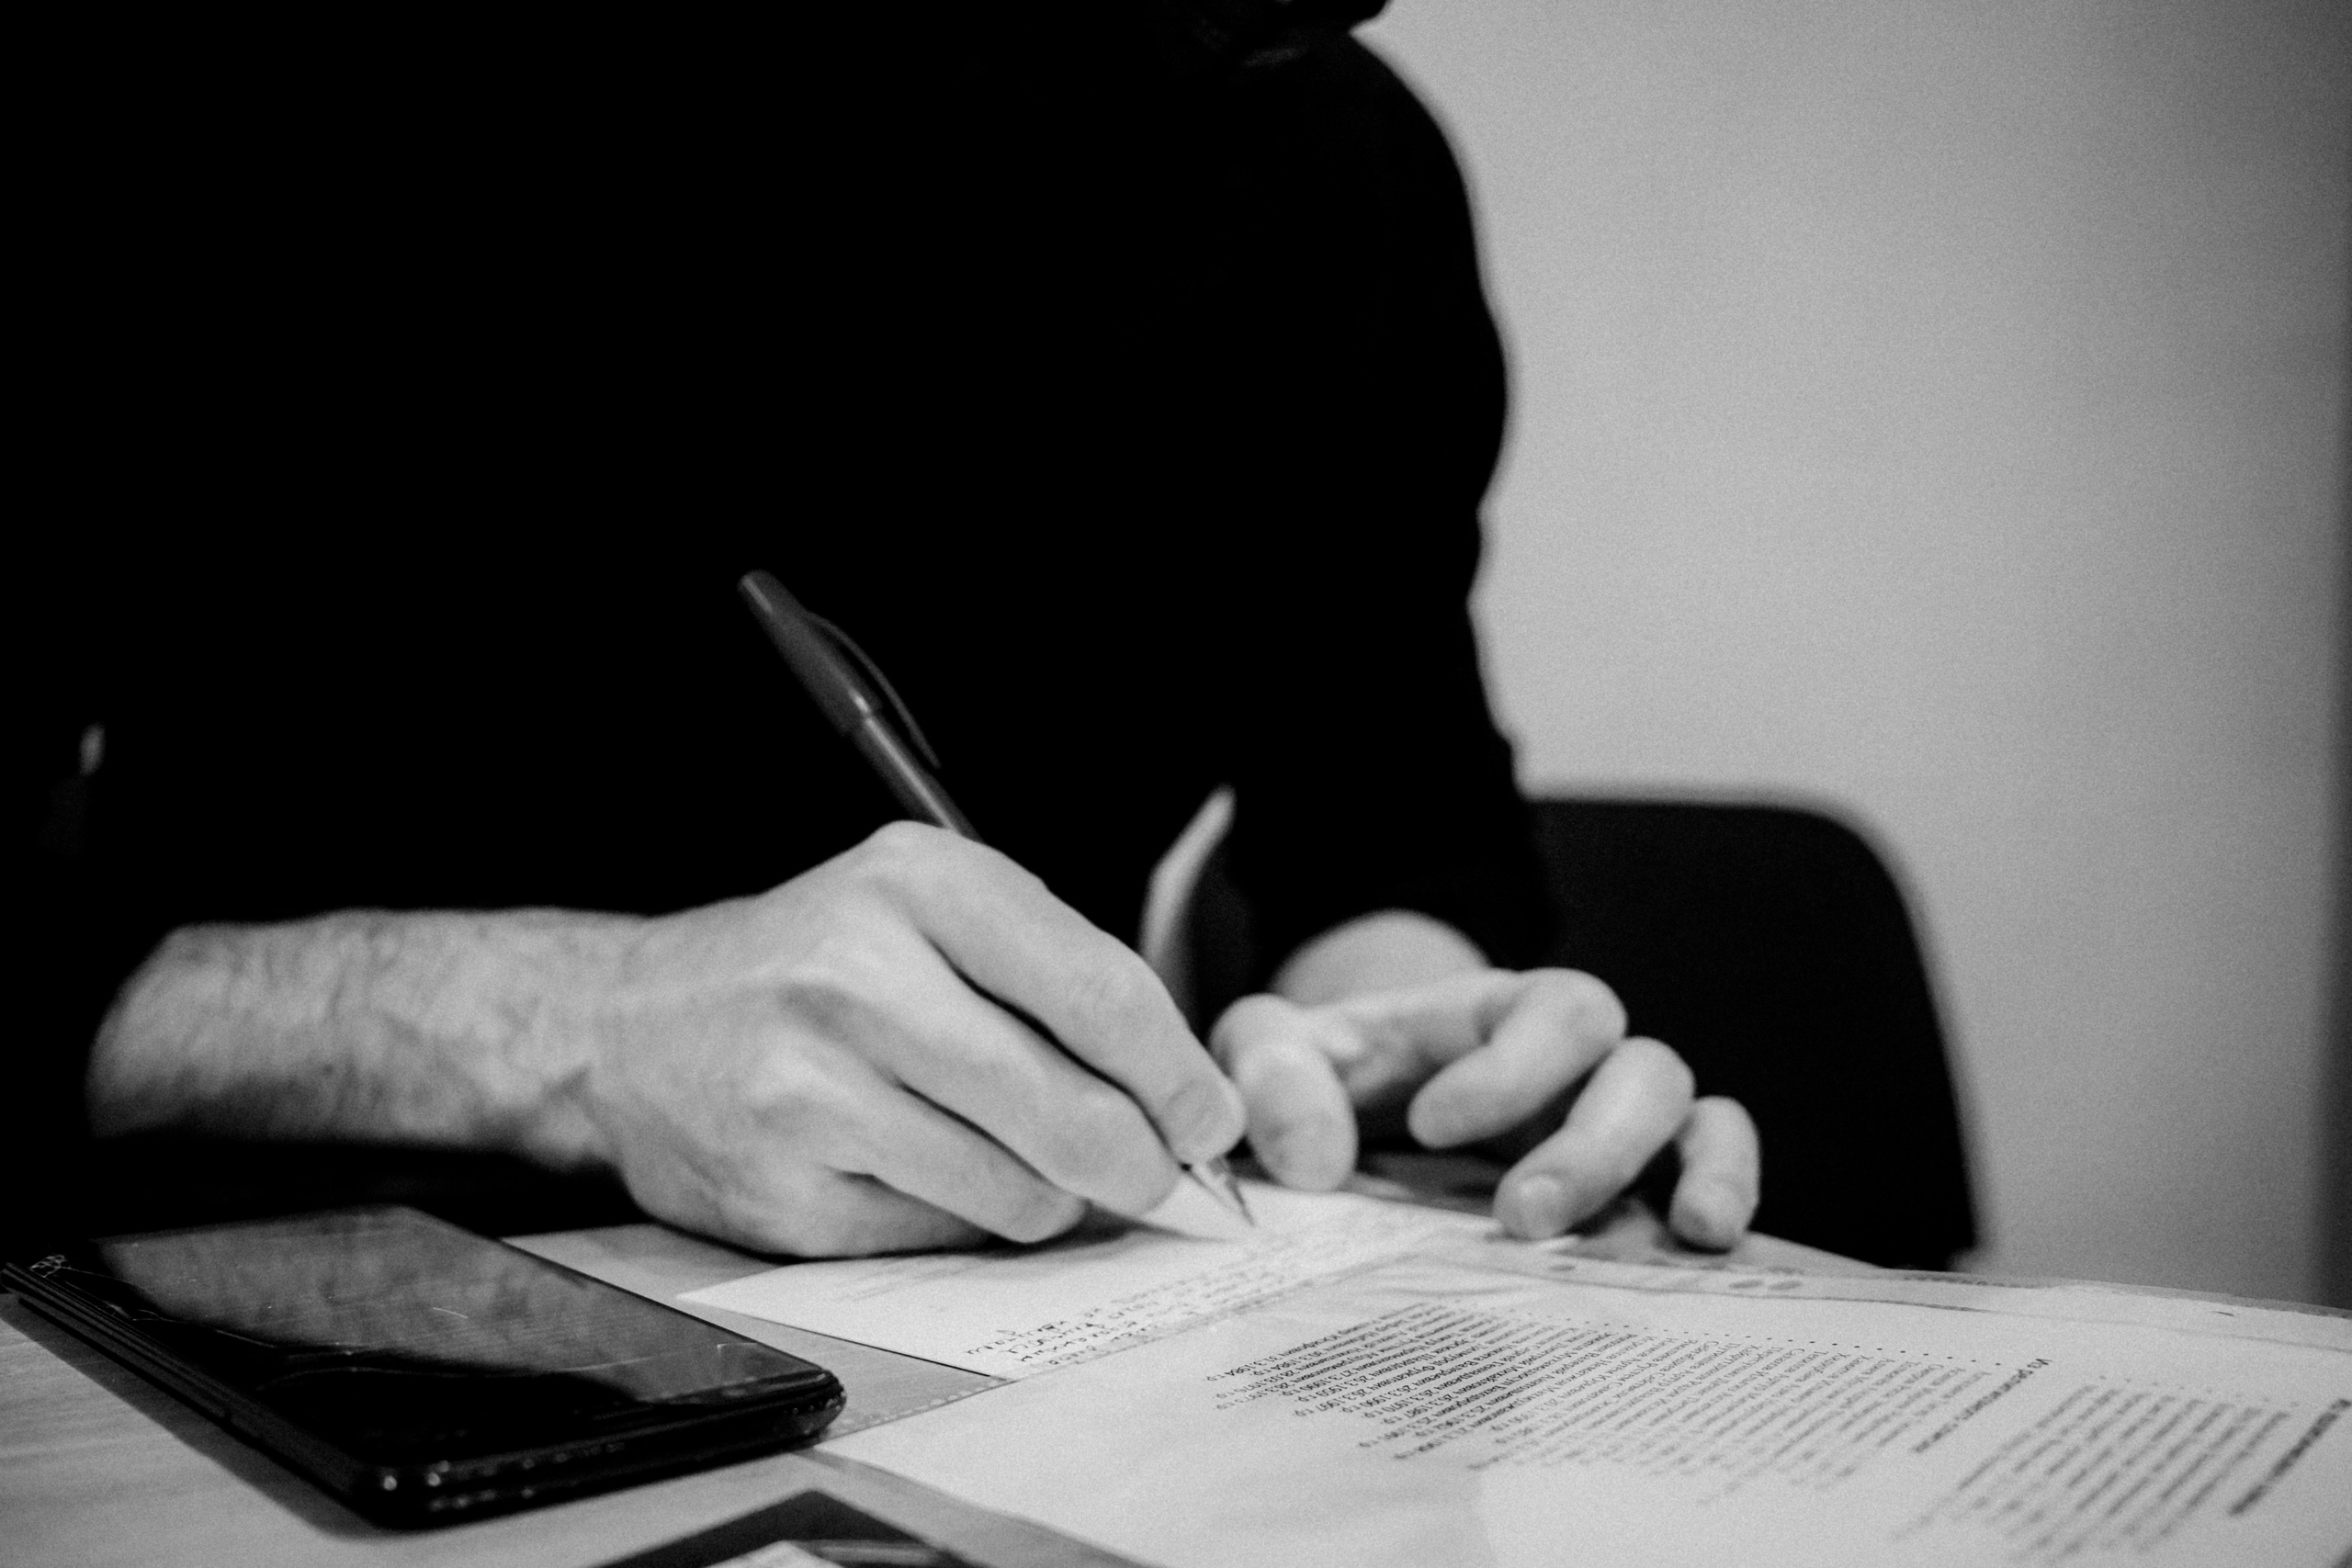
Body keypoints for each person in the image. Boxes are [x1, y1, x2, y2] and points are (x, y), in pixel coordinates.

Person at [23, 2, 1758, 1259]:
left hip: (1028, 1347)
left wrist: (1394, 1051)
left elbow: (1387, 810)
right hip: (255, 1327)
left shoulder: (1331, 158)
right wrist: (578, 1030)